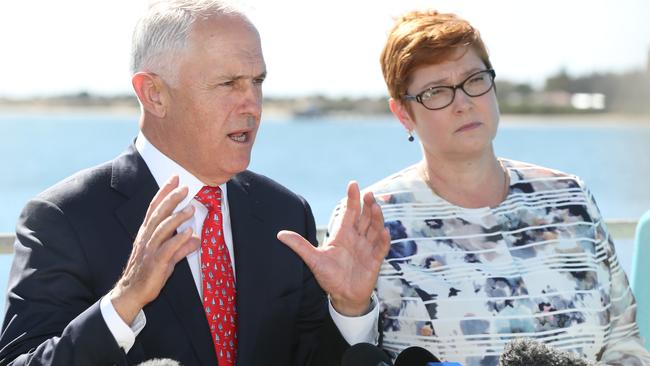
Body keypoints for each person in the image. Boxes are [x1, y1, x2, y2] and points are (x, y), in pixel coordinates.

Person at [0, 1, 389, 365]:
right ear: (154, 94)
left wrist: (349, 309)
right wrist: (124, 301)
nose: (252, 104)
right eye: (229, 84)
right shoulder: (63, 217)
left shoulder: (285, 213)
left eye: (257, 81)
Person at [327, 9, 650, 366]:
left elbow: (624, 339)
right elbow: (352, 353)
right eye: (436, 92)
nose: (463, 103)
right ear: (404, 114)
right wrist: (350, 307)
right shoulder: (373, 218)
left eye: (474, 80)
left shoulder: (570, 197)